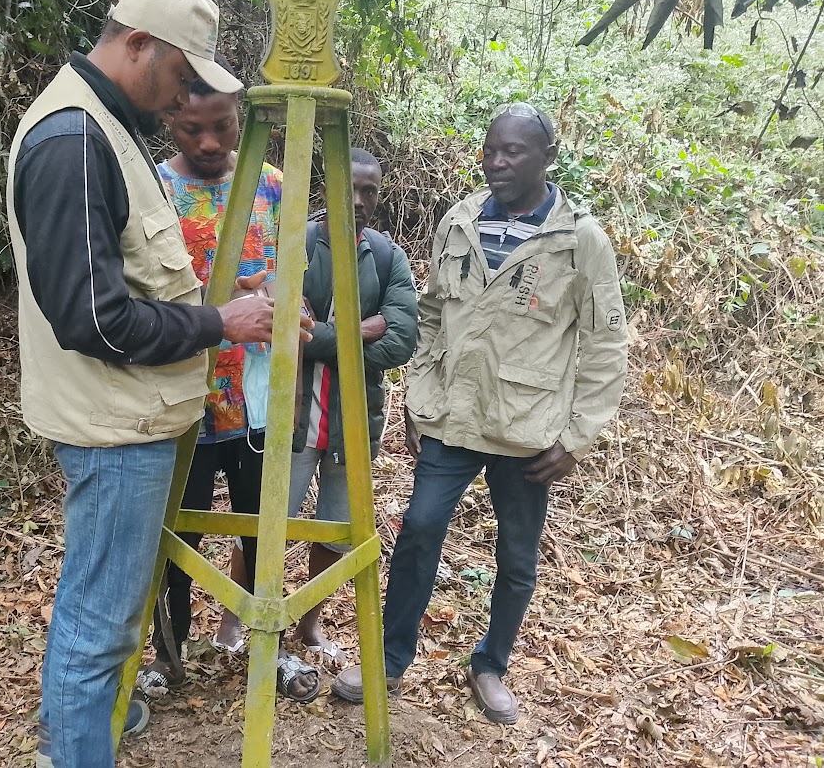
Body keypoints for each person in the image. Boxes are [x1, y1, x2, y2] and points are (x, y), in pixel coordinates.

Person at [6, 0, 311, 768]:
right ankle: (75, 749)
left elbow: (131, 283)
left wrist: (224, 301)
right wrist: (219, 323)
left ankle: (74, 735)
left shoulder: (102, 127)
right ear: (138, 43)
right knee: (100, 625)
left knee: (101, 617)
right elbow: (95, 318)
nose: (182, 97)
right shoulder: (73, 139)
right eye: (180, 76)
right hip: (115, 427)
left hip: (130, 416)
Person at [332, 104, 629, 725]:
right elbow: (432, 315)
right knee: (418, 530)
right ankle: (388, 660)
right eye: (491, 150)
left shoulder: (580, 240)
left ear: (547, 157)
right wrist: (418, 398)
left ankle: (491, 665)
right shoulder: (460, 220)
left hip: (526, 428)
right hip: (452, 417)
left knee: (517, 555)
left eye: (513, 152)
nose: (497, 162)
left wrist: (578, 438)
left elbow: (605, 346)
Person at [134, 56, 319, 703]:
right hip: (183, 396)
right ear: (170, 120)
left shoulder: (272, 186)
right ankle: (168, 655)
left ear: (240, 120)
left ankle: (264, 647)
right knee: (176, 534)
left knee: (260, 528)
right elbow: (139, 297)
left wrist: (290, 305)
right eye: (193, 129)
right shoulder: (154, 190)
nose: (210, 143)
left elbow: (290, 281)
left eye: (222, 127)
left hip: (257, 399)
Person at [216, 149, 418, 667]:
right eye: (349, 187)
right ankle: (235, 618)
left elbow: (401, 341)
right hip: (292, 414)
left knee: (337, 524)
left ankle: (309, 623)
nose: (358, 200)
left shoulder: (387, 257)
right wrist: (361, 328)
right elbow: (284, 331)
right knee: (266, 519)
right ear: (327, 186)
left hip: (354, 419)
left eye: (369, 191)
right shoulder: (295, 245)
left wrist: (323, 334)